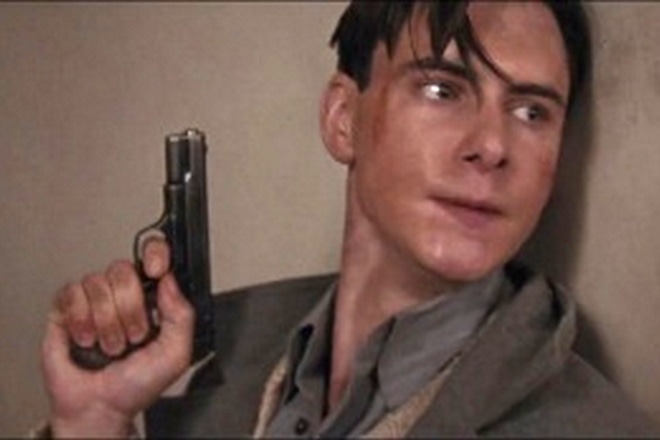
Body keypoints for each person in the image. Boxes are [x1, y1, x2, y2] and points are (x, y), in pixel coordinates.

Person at [38, 1, 659, 438]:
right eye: (443, 89)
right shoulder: (223, 353)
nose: (493, 146)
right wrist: (93, 421)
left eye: (531, 112)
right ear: (343, 120)